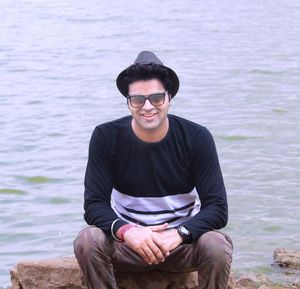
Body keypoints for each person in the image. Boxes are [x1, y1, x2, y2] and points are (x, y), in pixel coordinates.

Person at [74, 51, 233, 289]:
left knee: (217, 246)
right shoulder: (105, 137)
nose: (147, 107)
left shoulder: (196, 137)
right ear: (128, 102)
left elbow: (218, 209)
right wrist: (128, 232)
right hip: (127, 247)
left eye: (157, 98)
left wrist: (179, 234)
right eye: (138, 99)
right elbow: (94, 205)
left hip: (181, 246)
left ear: (169, 98)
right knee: (88, 240)